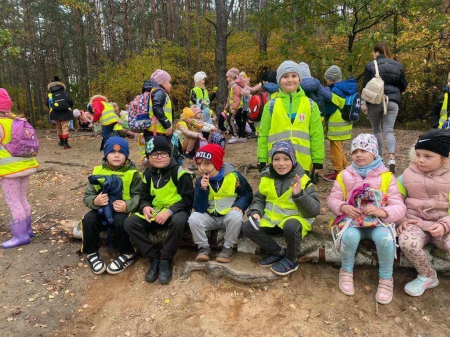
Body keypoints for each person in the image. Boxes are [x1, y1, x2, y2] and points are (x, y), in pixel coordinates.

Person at [327, 134, 406, 304]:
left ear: (375, 153)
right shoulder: (344, 175)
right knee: (349, 237)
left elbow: (399, 206)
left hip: (379, 223)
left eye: (363, 150)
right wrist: (343, 207)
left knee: (385, 239)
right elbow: (333, 199)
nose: (358, 154)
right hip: (352, 222)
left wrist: (382, 212)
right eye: (354, 151)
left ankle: (386, 278)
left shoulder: (386, 177)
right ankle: (346, 270)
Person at [242, 140, 320, 275]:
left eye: (286, 159)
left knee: (291, 226)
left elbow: (314, 210)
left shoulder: (304, 180)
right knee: (247, 226)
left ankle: (291, 259)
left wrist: (299, 194)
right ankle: (277, 252)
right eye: (276, 159)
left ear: (293, 160)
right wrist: (256, 212)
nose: (281, 163)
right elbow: (259, 199)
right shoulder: (266, 178)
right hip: (272, 220)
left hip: (294, 220)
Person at [124, 136, 194, 284]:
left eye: (163, 153)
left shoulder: (180, 172)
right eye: (154, 154)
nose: (159, 157)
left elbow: (188, 199)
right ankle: (153, 256)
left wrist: (170, 211)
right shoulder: (148, 174)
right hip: (156, 211)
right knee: (130, 223)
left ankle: (165, 259)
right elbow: (144, 197)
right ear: (149, 157)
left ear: (169, 154)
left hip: (176, 211)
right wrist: (145, 207)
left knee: (179, 221)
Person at [397, 130, 450, 296]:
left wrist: (445, 224)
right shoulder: (406, 175)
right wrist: (402, 219)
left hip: (443, 225)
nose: (420, 160)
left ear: (444, 157)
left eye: (428, 156)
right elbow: (395, 200)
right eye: (418, 154)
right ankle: (427, 275)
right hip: (416, 222)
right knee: (406, 242)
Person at [82, 137, 142, 275]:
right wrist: (95, 201)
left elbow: (140, 196)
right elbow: (87, 196)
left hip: (122, 210)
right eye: (112, 152)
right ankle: (91, 252)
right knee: (88, 220)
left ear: (126, 155)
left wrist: (127, 205)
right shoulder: (98, 171)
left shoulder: (133, 174)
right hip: (102, 210)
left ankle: (127, 253)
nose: (116, 155)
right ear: (105, 155)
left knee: (122, 222)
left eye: (121, 153)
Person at [257, 60, 325, 177]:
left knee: (300, 194)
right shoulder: (271, 106)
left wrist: (317, 160)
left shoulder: (310, 105)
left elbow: (317, 135)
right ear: (279, 80)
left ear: (299, 79)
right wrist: (262, 158)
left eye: (294, 76)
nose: (289, 79)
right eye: (285, 76)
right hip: (278, 163)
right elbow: (263, 134)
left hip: (302, 164)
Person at [188, 144, 253, 263]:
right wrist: (203, 190)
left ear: (217, 163)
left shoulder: (234, 177)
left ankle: (228, 248)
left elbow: (247, 193)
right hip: (209, 216)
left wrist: (239, 206)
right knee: (193, 218)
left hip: (228, 215)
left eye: (207, 163)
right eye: (199, 164)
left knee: (236, 217)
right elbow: (199, 208)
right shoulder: (199, 181)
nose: (202, 168)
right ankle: (203, 248)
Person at [0, 88, 39, 248]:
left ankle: (20, 235)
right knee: (22, 198)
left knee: (14, 201)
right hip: (25, 166)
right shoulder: (17, 121)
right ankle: (27, 229)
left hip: (9, 171)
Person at [362, 42, 408, 173]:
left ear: (376, 53)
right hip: (392, 101)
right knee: (389, 130)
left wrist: (364, 103)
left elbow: (365, 87)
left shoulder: (371, 65)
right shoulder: (398, 66)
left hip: (375, 101)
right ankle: (392, 158)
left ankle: (380, 159)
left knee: (376, 130)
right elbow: (403, 85)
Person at [322, 65, 358, 181]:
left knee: (335, 149)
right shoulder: (346, 88)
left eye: (327, 78)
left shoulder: (335, 90)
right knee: (339, 148)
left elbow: (330, 109)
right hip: (345, 123)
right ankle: (345, 168)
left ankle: (338, 173)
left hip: (336, 124)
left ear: (331, 78)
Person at [141, 69, 174, 144]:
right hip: (159, 132)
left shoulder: (150, 92)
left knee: (152, 154)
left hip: (151, 131)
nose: (170, 85)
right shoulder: (159, 92)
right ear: (162, 82)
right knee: (164, 154)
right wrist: (167, 125)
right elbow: (157, 107)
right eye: (168, 82)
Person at [47, 76, 74, 149]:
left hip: (55, 112)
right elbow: (70, 101)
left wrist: (53, 108)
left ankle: (61, 141)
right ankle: (66, 143)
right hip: (66, 111)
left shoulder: (50, 94)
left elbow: (48, 104)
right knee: (65, 127)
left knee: (58, 127)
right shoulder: (64, 92)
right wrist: (69, 107)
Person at [225, 67, 247, 144]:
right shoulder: (232, 86)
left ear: (231, 77)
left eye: (227, 77)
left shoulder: (235, 86)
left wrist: (233, 108)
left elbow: (237, 98)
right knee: (238, 121)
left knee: (230, 120)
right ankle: (242, 136)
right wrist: (227, 105)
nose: (227, 78)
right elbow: (230, 97)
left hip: (236, 108)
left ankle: (235, 135)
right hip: (235, 107)